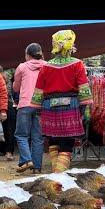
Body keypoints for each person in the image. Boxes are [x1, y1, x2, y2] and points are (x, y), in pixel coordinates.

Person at [31, 30, 93, 173]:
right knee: (67, 143)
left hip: (48, 106)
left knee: (53, 140)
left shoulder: (46, 66)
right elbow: (83, 89)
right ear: (70, 45)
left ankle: (55, 175)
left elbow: (38, 91)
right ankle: (58, 176)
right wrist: (85, 108)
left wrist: (39, 111)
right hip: (70, 106)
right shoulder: (77, 64)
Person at [13, 42, 46, 174]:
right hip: (41, 105)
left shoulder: (22, 67)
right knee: (38, 137)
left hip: (25, 104)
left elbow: (16, 87)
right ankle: (37, 167)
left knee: (21, 135)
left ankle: (27, 160)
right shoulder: (47, 66)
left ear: (27, 55)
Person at [0, 65, 16, 162]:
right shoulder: (7, 79)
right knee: (5, 130)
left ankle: (2, 152)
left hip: (2, 104)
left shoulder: (4, 80)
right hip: (3, 104)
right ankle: (5, 152)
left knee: (1, 130)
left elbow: (5, 93)